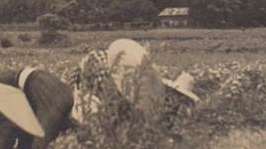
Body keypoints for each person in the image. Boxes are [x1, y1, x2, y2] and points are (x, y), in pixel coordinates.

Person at [70, 39, 199, 130]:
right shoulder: (154, 92)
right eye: (176, 95)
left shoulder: (163, 105)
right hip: (98, 80)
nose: (176, 99)